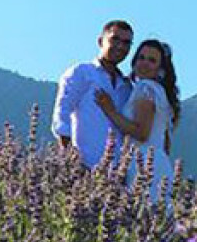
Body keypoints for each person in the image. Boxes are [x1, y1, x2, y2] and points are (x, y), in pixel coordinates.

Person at [96, 39, 182, 197]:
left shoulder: (146, 88)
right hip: (159, 163)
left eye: (152, 60)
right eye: (141, 57)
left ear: (160, 69)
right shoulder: (160, 93)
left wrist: (110, 110)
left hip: (142, 163)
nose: (144, 63)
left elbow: (142, 132)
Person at [52, 20, 135, 168]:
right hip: (83, 166)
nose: (120, 46)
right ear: (100, 41)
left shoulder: (127, 87)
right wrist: (73, 160)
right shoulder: (82, 73)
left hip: (115, 174)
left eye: (126, 42)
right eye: (114, 39)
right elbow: (61, 116)